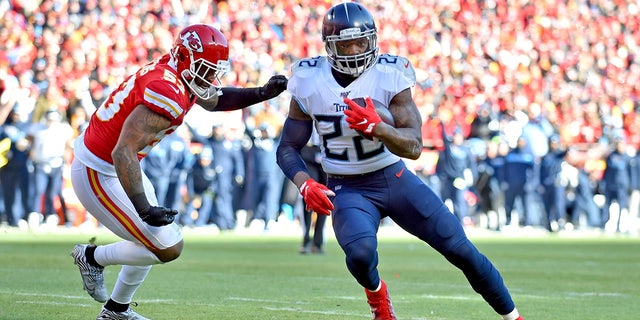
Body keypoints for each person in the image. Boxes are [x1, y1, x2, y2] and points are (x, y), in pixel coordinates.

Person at [275, 3, 524, 320]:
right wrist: (304, 181)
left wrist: (378, 128)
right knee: (361, 254)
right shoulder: (309, 79)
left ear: (372, 40)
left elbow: (415, 146)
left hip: (394, 178)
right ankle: (378, 298)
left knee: (461, 249)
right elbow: (287, 147)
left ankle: (513, 317)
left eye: (360, 43)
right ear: (329, 46)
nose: (354, 51)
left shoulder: (389, 74)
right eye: (345, 44)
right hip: (347, 187)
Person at [69, 24, 287, 320]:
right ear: (185, 59)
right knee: (168, 246)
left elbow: (215, 99)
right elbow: (123, 152)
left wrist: (260, 93)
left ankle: (117, 310)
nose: (211, 77)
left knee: (154, 238)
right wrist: (144, 209)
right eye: (207, 69)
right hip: (100, 170)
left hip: (115, 164)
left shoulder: (177, 73)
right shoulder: (168, 89)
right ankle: (92, 257)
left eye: (214, 70)